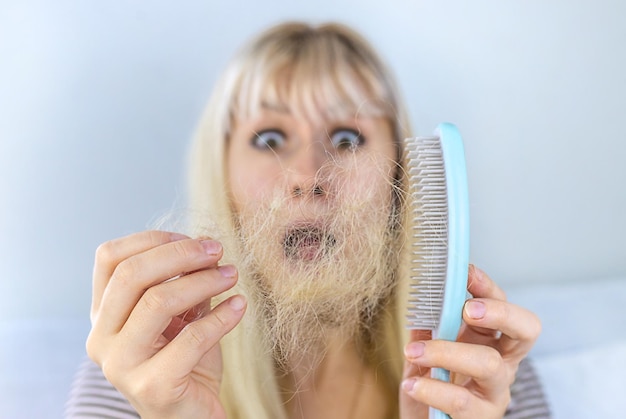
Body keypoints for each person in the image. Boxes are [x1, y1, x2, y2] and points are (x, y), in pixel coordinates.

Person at [66, 21, 550, 418]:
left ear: (402, 179)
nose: (306, 176)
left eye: (346, 138)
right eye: (270, 139)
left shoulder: (477, 362)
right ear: (222, 178)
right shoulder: (147, 363)